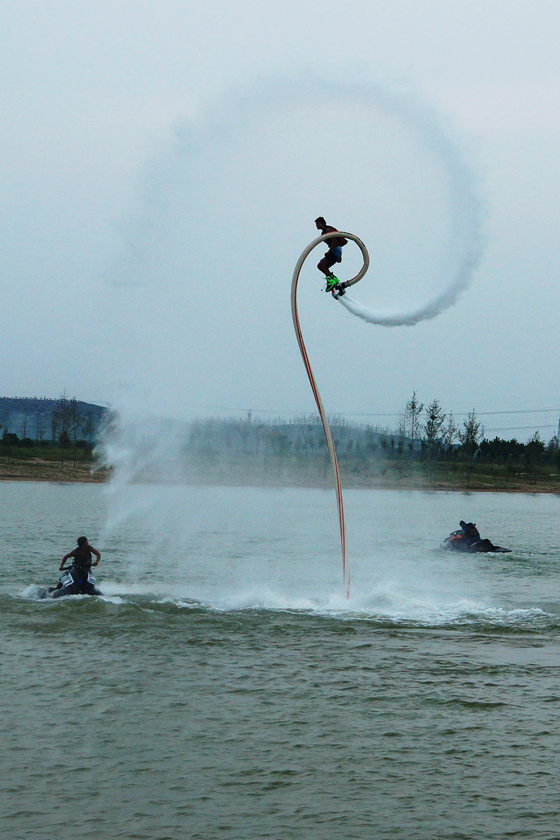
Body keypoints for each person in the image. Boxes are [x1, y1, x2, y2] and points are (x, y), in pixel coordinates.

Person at [314, 217, 347, 292]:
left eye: (317, 224)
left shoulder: (329, 230)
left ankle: (333, 280)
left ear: (321, 223)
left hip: (336, 249)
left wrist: (329, 252)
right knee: (323, 266)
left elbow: (335, 241)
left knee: (321, 265)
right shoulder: (323, 232)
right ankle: (332, 280)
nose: (316, 225)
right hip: (336, 250)